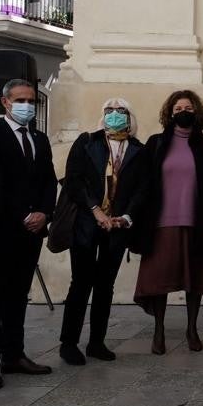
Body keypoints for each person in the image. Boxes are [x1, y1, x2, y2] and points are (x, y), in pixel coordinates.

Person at [0, 79, 56, 389]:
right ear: (6, 102)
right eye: (20, 99)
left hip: (32, 231)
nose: (27, 105)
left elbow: (48, 180)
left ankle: (13, 353)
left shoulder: (39, 137)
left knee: (19, 294)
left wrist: (44, 213)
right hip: (3, 230)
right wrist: (19, 215)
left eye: (31, 100)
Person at [130, 90, 203, 355]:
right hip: (160, 223)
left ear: (197, 112)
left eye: (188, 107)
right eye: (178, 108)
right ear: (170, 113)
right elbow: (143, 181)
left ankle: (192, 329)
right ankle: (159, 330)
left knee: (194, 279)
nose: (183, 111)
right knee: (160, 280)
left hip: (196, 222)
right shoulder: (156, 143)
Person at [60, 97, 148, 366]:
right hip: (87, 224)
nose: (114, 115)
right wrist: (96, 211)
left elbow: (143, 188)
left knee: (105, 286)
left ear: (129, 116)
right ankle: (69, 343)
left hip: (118, 228)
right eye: (108, 110)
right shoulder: (88, 142)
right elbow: (73, 181)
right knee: (81, 282)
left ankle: (97, 341)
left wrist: (125, 217)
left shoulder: (139, 150)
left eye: (120, 111)